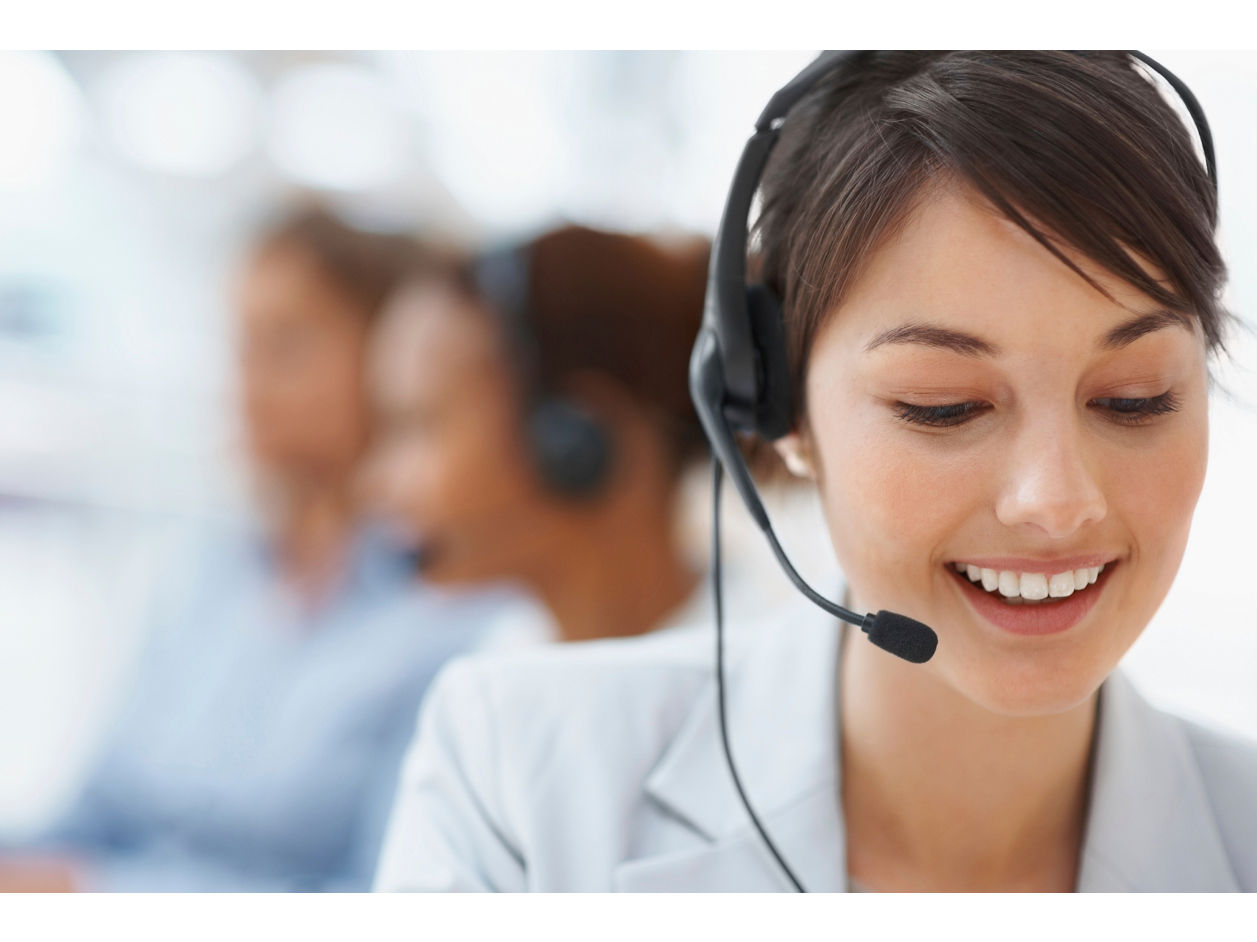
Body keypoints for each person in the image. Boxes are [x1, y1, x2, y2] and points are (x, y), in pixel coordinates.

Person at [372, 52, 1257, 892]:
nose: (1057, 502)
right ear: (779, 405)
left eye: (1134, 399)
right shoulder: (515, 778)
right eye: (943, 406)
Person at [0, 206, 503, 891]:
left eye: (285, 346)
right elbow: (98, 814)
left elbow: (382, 898)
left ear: (391, 359)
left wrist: (100, 895)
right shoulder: (208, 572)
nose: (247, 382)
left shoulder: (456, 613)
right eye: (241, 346)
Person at [361, 225, 715, 648]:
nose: (373, 484)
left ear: (575, 440)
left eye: (418, 426)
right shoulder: (496, 665)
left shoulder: (776, 680)